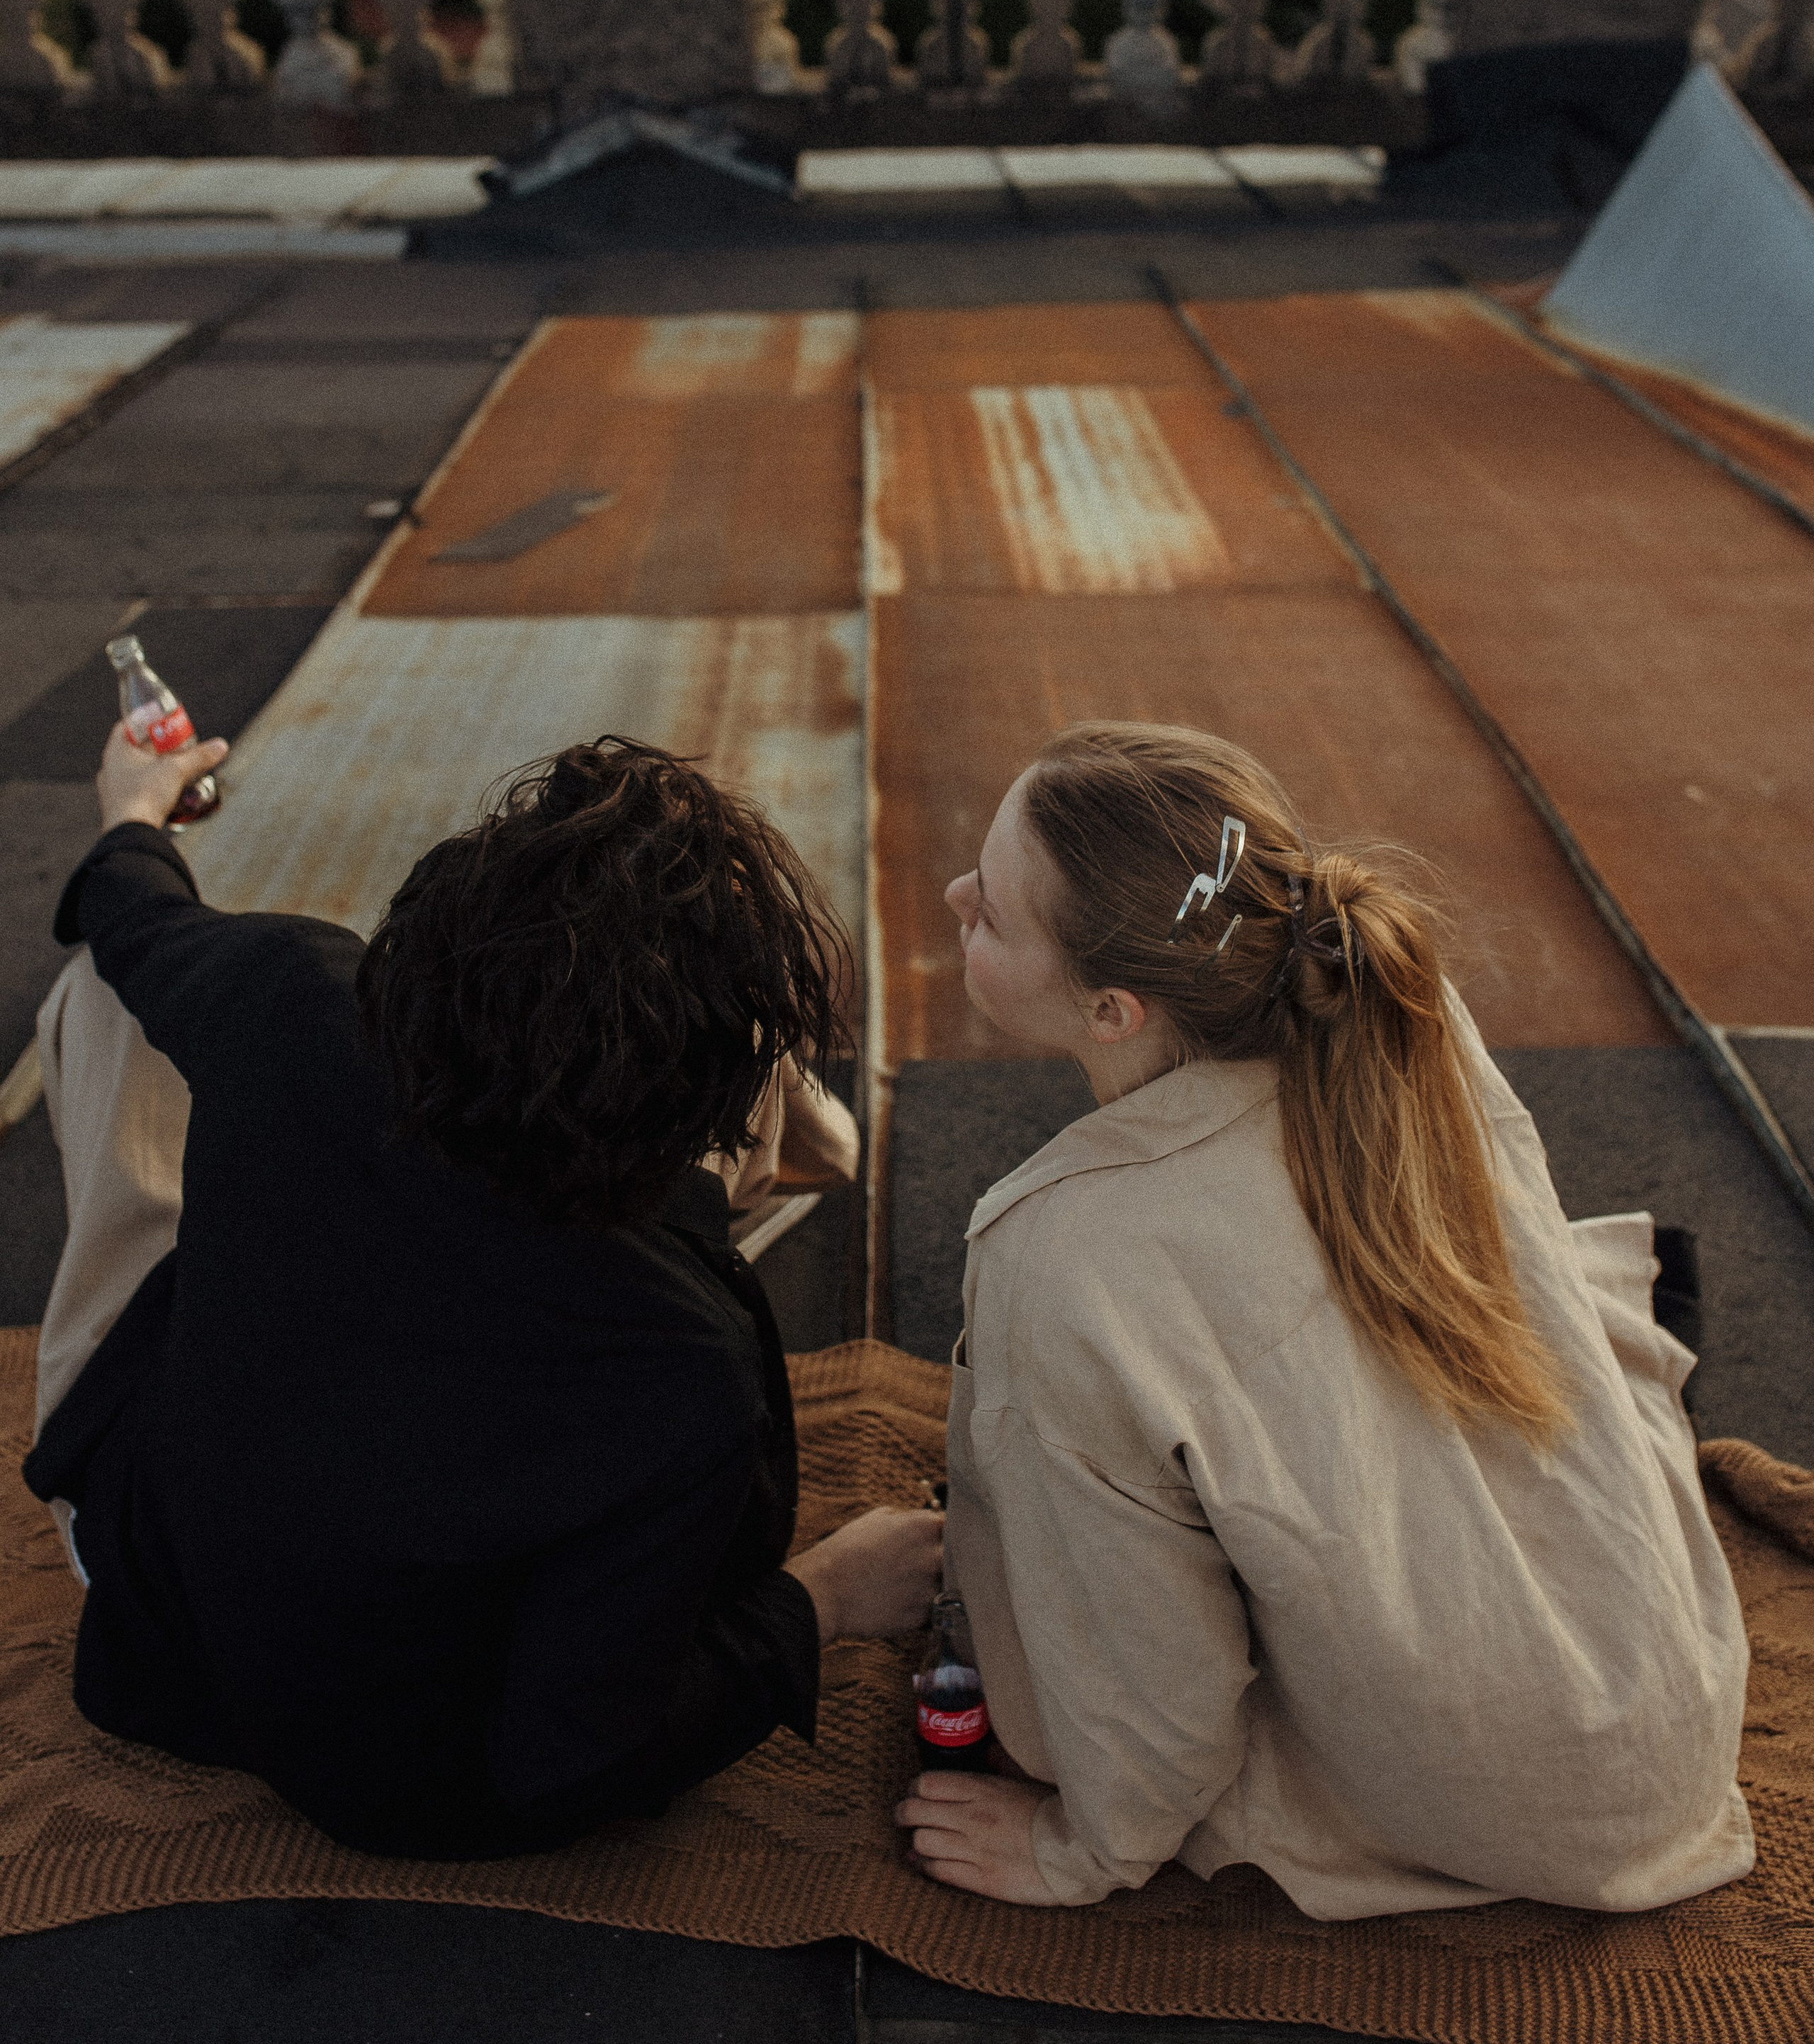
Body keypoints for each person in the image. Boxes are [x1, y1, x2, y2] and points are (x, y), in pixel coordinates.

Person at [26, 722, 942, 1860]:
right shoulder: (680, 1371)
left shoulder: (294, 996)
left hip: (166, 1605)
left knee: (102, 991)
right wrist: (827, 1598)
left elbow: (135, 911)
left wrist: (136, 809)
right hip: (390, 1769)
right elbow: (569, 1755)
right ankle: (793, 1120)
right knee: (752, 1095)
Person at [896, 722, 1754, 1917]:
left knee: (1050, 1593)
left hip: (1518, 1795)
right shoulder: (1389, 992)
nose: (952, 898)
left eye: (987, 908)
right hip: (1668, 1690)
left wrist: (1080, 1848)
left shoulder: (1060, 1252)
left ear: (1113, 1013)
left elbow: (1152, 1676)